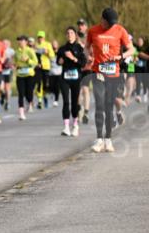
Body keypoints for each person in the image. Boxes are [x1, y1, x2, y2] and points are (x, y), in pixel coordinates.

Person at [88, 8, 133, 153]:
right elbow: (86, 47)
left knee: (108, 106)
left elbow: (131, 50)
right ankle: (99, 139)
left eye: (114, 23)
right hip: (98, 73)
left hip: (113, 74)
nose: (112, 26)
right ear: (103, 20)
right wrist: (88, 56)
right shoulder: (93, 31)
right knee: (99, 104)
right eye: (109, 23)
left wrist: (121, 57)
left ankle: (108, 139)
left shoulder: (120, 30)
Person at [56, 26, 86, 137]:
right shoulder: (62, 48)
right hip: (65, 77)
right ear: (66, 35)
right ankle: (66, 127)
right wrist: (60, 61)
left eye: (71, 33)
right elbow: (58, 62)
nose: (69, 35)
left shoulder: (79, 48)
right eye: (67, 33)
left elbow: (83, 63)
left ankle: (75, 125)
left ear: (75, 35)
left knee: (74, 103)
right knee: (66, 102)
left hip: (76, 78)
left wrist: (73, 58)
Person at [13, 35, 39, 120]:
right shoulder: (16, 52)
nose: (20, 42)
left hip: (29, 74)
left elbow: (35, 62)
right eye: (19, 40)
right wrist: (14, 65)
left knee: (29, 92)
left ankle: (30, 102)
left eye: (21, 40)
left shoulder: (30, 50)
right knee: (21, 93)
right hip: (20, 74)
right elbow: (15, 62)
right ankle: (21, 113)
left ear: (26, 42)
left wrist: (28, 60)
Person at [33, 31, 54, 109]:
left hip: (46, 66)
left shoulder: (48, 44)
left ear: (44, 38)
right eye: (39, 37)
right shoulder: (35, 45)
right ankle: (39, 101)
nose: (40, 39)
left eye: (41, 37)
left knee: (45, 85)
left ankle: (45, 96)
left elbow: (52, 55)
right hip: (38, 67)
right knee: (39, 83)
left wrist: (47, 52)